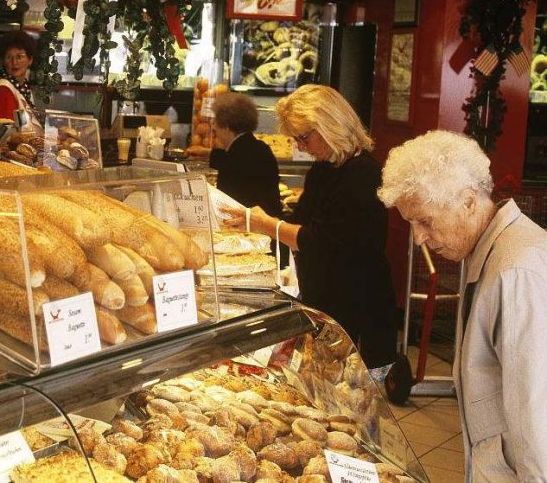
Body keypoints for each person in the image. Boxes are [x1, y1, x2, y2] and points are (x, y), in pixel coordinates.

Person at [379, 130, 547, 480]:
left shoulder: (515, 271)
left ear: (468, 202)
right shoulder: (488, 250)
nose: (418, 237)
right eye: (411, 224)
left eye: (425, 221)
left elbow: (536, 417)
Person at [220, 85, 398, 375]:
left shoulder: (362, 173)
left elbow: (320, 242)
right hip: (325, 308)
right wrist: (260, 224)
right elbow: (301, 225)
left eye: (304, 137)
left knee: (355, 395)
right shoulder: (322, 170)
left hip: (361, 314)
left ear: (330, 124)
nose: (301, 147)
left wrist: (265, 223)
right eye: (296, 139)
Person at [208, 92, 281, 217]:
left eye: (215, 121)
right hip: (265, 222)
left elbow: (226, 208)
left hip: (253, 226)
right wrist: (207, 153)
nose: (213, 126)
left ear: (226, 126)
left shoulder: (238, 156)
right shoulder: (256, 147)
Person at [0, 29, 41, 125]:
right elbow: (10, 130)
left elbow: (23, 125)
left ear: (30, 60)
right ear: (3, 61)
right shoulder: (2, 89)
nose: (14, 62)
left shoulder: (23, 88)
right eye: (8, 57)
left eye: (19, 56)